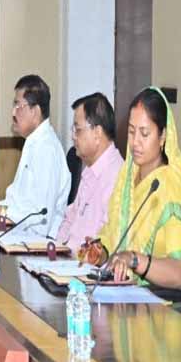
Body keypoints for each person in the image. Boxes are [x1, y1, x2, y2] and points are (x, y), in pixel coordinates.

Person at [92, 88, 181, 292]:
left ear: (163, 136)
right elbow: (113, 239)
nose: (135, 142)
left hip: (160, 299)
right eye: (131, 132)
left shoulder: (170, 184)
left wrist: (133, 259)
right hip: (121, 291)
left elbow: (179, 274)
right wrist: (98, 252)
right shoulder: (127, 178)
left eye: (144, 133)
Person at [0, 75, 69, 235]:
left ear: (35, 111)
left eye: (18, 106)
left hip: (38, 242)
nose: (13, 112)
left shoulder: (47, 149)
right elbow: (17, 204)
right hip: (19, 233)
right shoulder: (33, 142)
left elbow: (41, 219)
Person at [55, 93, 124, 252]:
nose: (73, 136)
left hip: (85, 264)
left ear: (97, 133)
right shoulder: (90, 170)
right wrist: (54, 253)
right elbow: (69, 220)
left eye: (78, 130)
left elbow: (103, 246)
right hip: (66, 259)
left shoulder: (116, 176)